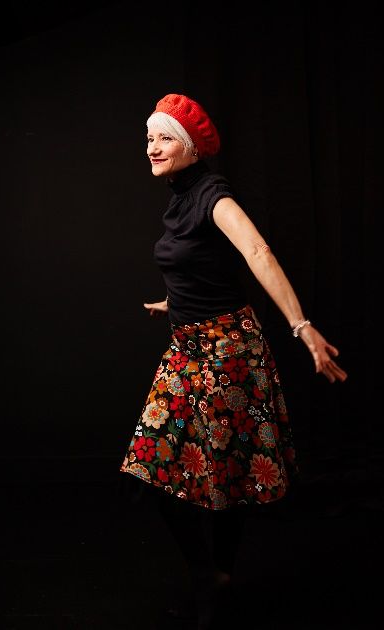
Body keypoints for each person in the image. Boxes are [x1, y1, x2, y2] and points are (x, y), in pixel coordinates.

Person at [120, 93, 348, 629]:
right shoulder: (180, 198)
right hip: (188, 347)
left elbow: (256, 252)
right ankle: (210, 575)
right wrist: (174, 302)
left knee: (226, 474)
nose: (152, 147)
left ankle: (217, 576)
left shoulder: (213, 195)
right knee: (148, 472)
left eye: (165, 138)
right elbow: (204, 263)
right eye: (149, 138)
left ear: (192, 148)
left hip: (228, 351)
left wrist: (301, 326)